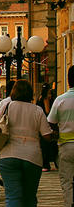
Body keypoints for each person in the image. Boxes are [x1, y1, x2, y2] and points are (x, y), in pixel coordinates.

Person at [0, 79, 54, 207]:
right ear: (30, 93)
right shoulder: (37, 110)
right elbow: (47, 136)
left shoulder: (7, 107)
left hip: (8, 155)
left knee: (13, 197)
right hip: (32, 157)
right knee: (30, 197)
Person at [47, 65, 74, 206]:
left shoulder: (60, 100)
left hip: (66, 145)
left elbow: (51, 122)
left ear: (68, 81)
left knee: (67, 181)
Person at [36, 84, 56, 171]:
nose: (50, 95)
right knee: (46, 144)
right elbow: (47, 111)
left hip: (41, 123)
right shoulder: (45, 99)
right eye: (49, 93)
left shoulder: (40, 98)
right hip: (46, 123)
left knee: (44, 144)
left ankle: (45, 163)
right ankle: (46, 164)